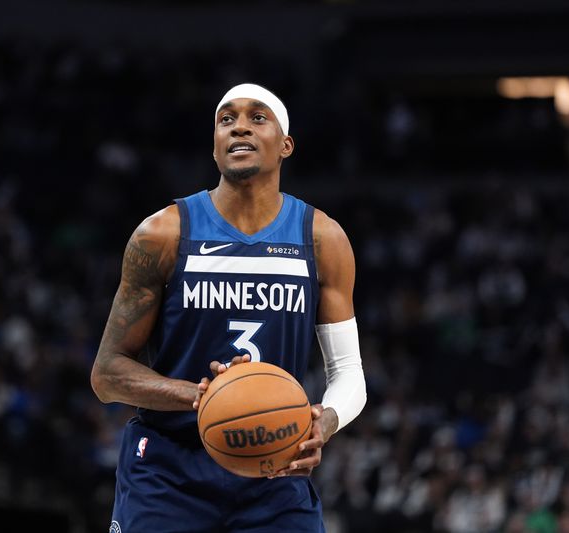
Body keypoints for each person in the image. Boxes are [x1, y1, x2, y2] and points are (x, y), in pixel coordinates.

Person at [91, 83, 367, 532]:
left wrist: (326, 422)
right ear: (216, 148)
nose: (239, 125)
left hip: (274, 465)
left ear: (286, 145)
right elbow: (107, 374)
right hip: (168, 471)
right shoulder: (162, 234)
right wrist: (202, 397)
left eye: (258, 117)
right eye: (226, 119)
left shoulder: (322, 238)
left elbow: (349, 372)